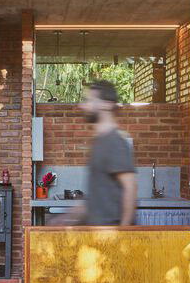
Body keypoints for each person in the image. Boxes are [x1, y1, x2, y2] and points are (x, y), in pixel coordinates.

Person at [55, 79, 137, 226]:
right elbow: (98, 199)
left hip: (111, 236)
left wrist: (124, 235)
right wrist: (67, 217)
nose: (82, 105)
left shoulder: (115, 142)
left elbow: (130, 189)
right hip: (97, 235)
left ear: (106, 104)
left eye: (89, 100)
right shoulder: (100, 141)